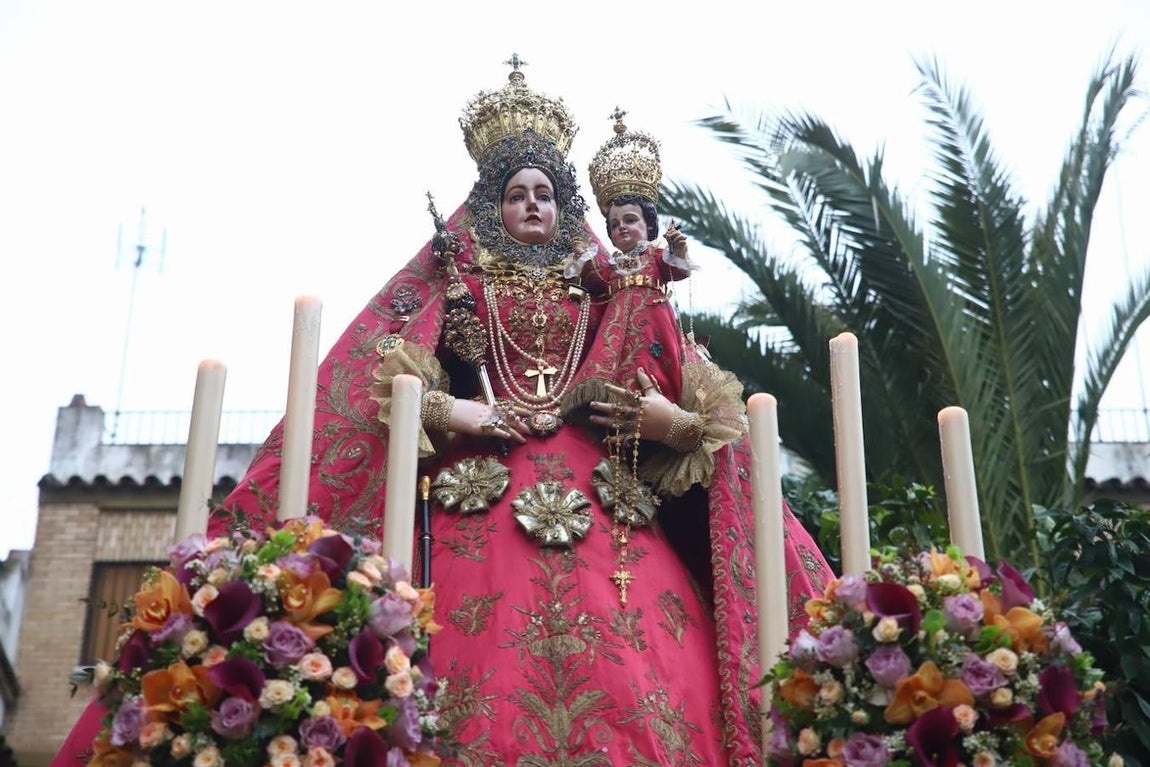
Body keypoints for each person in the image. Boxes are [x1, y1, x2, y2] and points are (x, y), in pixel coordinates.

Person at [52, 61, 833, 767]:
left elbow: (671, 373)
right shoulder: (452, 287)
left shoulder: (607, 288)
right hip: (476, 497)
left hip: (610, 507)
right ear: (490, 207)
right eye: (516, 193)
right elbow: (375, 395)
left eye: (546, 194)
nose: (533, 205)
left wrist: (674, 422)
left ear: (567, 209)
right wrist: (456, 407)